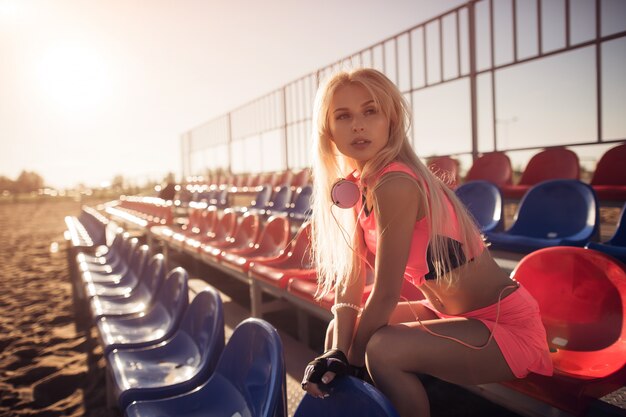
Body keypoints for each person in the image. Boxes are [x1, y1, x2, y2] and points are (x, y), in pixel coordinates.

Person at [300, 68, 553, 417]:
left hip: (504, 326)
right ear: (328, 131)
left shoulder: (396, 184)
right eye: (343, 116)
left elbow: (386, 294)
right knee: (339, 331)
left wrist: (352, 360)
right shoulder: (355, 187)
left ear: (391, 119)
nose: (357, 124)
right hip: (448, 314)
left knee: (382, 350)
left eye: (370, 111)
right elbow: (349, 283)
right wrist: (338, 353)